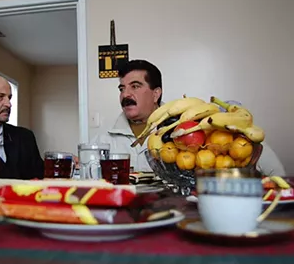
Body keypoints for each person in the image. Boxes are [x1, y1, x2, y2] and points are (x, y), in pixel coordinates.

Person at [90, 59, 287, 176]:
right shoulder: (103, 140)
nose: (126, 95)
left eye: (135, 86)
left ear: (156, 93)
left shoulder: (187, 126)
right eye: (122, 88)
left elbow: (269, 166)